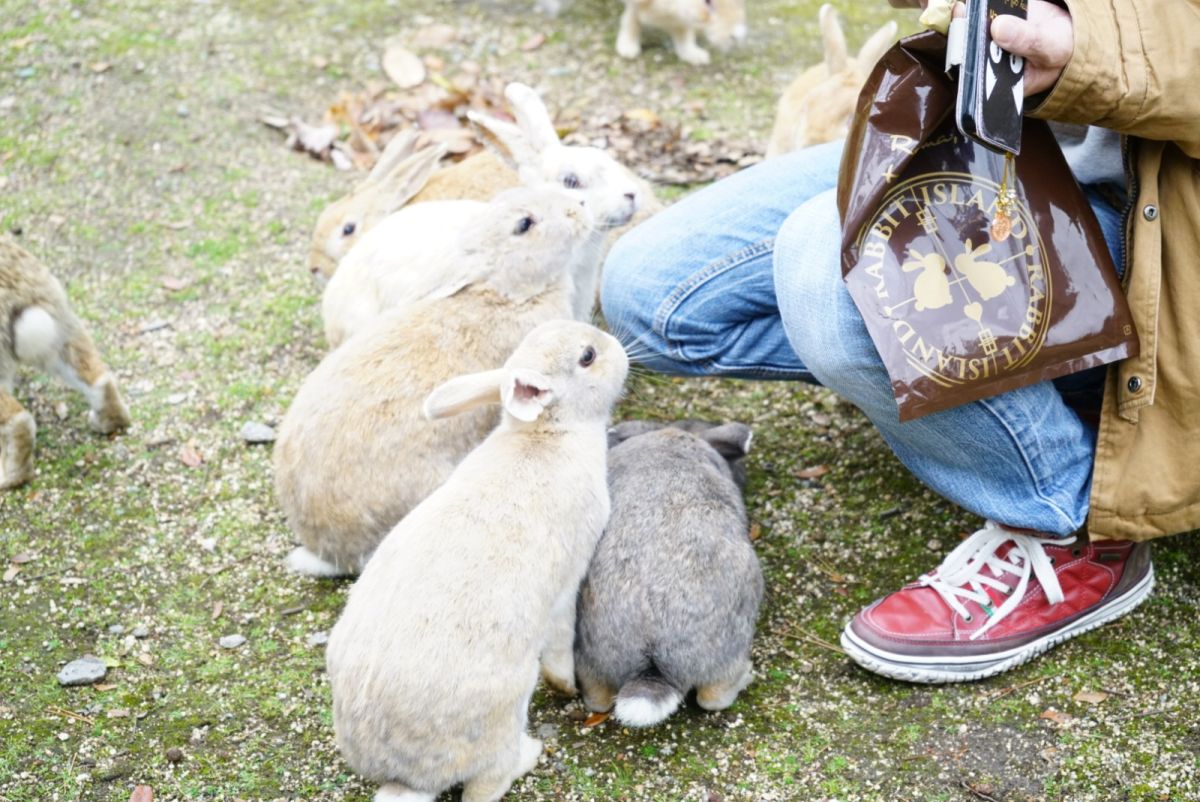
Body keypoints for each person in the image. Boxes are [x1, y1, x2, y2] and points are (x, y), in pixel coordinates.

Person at [599, 0, 1200, 682]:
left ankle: (1068, 523)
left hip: (1157, 214)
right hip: (984, 126)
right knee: (649, 299)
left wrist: (1088, 44)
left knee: (837, 275)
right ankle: (960, 381)